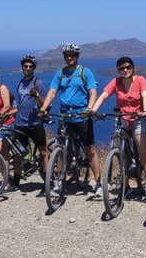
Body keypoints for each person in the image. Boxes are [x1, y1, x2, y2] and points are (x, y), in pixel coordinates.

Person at [38, 43, 102, 198]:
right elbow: (52, 91)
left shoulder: (85, 72)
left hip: (81, 115)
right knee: (61, 150)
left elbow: (93, 92)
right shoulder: (60, 73)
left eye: (72, 55)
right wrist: (43, 108)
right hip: (65, 115)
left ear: (77, 57)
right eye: (66, 55)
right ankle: (60, 182)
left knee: (90, 150)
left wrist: (89, 108)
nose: (69, 58)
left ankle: (99, 183)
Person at [90, 56, 146, 197]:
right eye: (121, 68)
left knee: (144, 157)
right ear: (118, 70)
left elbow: (145, 96)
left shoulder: (141, 80)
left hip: (138, 119)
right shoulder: (116, 82)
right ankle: (126, 186)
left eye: (128, 67)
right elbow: (103, 96)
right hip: (122, 120)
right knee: (121, 154)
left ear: (133, 68)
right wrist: (94, 110)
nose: (125, 70)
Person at [14, 54, 49, 180]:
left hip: (34, 123)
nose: (27, 68)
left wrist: (37, 95)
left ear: (33, 68)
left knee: (43, 152)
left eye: (30, 66)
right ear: (22, 68)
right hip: (20, 123)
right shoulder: (20, 83)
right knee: (17, 152)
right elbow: (20, 104)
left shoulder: (38, 83)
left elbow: (45, 105)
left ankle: (47, 181)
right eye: (25, 66)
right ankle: (16, 180)